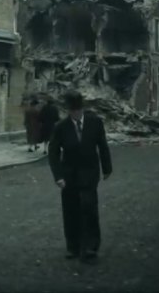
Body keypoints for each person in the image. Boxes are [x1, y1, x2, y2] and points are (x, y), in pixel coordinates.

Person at [48, 90, 112, 263]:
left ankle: (91, 246)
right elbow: (53, 152)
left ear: (82, 109)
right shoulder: (61, 127)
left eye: (78, 110)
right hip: (69, 175)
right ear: (68, 110)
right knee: (71, 210)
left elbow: (103, 146)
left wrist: (107, 168)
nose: (76, 114)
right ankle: (73, 246)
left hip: (90, 172)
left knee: (89, 208)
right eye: (72, 111)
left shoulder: (95, 123)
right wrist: (58, 176)